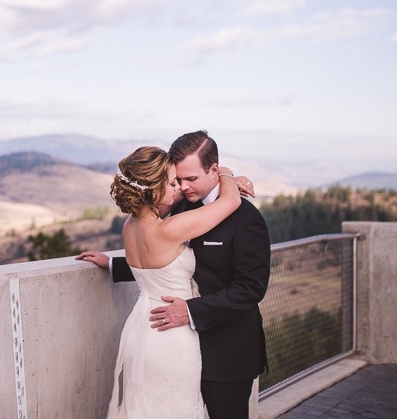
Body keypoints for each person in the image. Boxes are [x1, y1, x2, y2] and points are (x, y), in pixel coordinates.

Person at [77, 131, 270, 419]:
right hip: (173, 344)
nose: (182, 187)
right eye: (177, 180)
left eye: (190, 179)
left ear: (212, 170)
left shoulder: (247, 219)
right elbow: (161, 261)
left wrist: (189, 311)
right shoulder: (180, 207)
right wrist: (114, 264)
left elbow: (251, 288)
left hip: (227, 350)